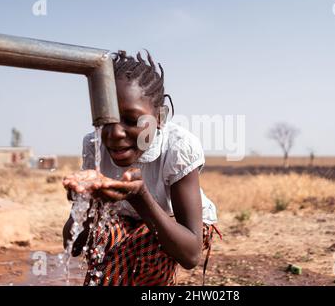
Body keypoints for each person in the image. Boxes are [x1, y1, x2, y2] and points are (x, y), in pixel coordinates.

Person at [62, 50, 220, 286]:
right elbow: (73, 244)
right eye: (105, 119)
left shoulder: (177, 148)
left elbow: (190, 254)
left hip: (173, 224)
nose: (115, 133)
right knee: (106, 240)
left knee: (146, 244)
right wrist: (88, 201)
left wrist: (140, 196)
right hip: (124, 218)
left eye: (131, 120)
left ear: (159, 118)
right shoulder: (94, 145)